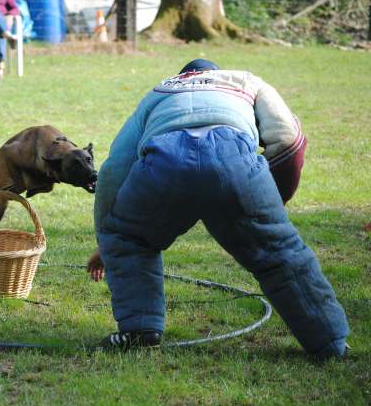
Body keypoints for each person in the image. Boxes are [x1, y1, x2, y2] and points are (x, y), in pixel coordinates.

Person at [87, 59, 350, 359]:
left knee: (130, 239)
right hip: (233, 160)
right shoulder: (247, 81)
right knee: (280, 253)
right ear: (217, 72)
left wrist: (107, 238)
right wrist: (275, 201)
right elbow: (288, 140)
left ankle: (139, 328)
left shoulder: (159, 92)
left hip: (163, 165)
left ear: (182, 76)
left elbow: (114, 169)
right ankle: (329, 343)